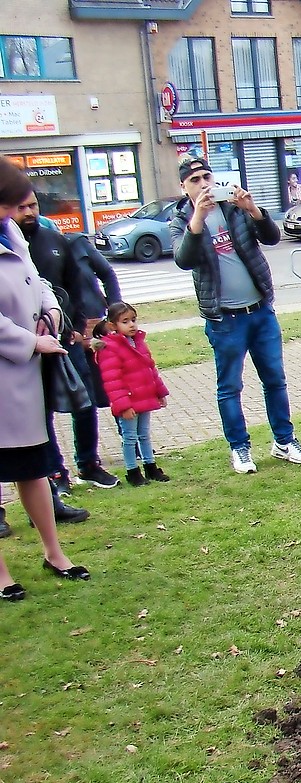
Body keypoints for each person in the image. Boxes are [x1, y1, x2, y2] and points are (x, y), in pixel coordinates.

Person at [169, 156, 301, 476]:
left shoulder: (233, 207)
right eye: (195, 180)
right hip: (225, 319)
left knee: (274, 380)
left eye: (207, 176)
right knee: (230, 387)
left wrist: (253, 210)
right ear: (183, 187)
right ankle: (240, 447)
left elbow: (271, 237)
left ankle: (284, 441)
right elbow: (184, 259)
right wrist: (198, 219)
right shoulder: (180, 219)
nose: (204, 184)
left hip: (260, 311)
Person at [0, 156, 92, 601]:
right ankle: (1, 575)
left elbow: (36, 281)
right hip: (8, 367)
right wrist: (29, 341)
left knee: (33, 468)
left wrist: (52, 313)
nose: (17, 213)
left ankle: (54, 552)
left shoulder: (11, 232)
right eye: (9, 205)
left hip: (23, 380)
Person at [15, 191, 120, 492]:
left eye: (32, 205)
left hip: (66, 338)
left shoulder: (55, 241)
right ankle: (55, 472)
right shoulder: (10, 247)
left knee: (84, 401)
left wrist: (78, 329)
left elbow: (74, 288)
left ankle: (89, 464)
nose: (28, 212)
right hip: (28, 343)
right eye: (21, 207)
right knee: (41, 410)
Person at [95, 302, 170, 487]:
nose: (132, 325)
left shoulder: (138, 342)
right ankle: (132, 470)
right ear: (113, 325)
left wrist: (159, 392)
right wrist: (123, 405)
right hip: (128, 401)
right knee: (129, 437)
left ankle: (150, 465)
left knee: (144, 434)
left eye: (133, 320)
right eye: (125, 321)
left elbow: (150, 368)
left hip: (144, 397)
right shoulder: (110, 349)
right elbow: (113, 380)